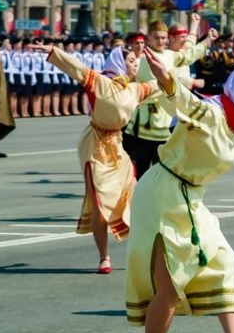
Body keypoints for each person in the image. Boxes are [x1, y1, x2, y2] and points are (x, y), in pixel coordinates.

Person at [125, 51, 234, 333]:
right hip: (162, 195)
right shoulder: (210, 113)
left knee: (225, 261)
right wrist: (165, 78)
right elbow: (182, 101)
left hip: (191, 198)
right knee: (171, 287)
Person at [31, 42, 159, 273]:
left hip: (117, 146)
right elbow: (76, 68)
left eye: (136, 62)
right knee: (100, 202)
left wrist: (186, 82)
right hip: (95, 146)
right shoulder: (99, 83)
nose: (134, 65)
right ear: (119, 63)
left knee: (135, 196)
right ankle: (104, 257)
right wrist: (53, 51)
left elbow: (163, 86)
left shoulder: (134, 90)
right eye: (130, 61)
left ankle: (144, 252)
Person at [123, 18, 216, 179]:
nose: (160, 41)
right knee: (141, 172)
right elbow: (156, 85)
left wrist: (207, 41)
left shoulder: (170, 55)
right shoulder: (144, 59)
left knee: (164, 171)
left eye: (163, 38)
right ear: (149, 38)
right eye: (156, 37)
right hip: (144, 124)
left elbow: (188, 54)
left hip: (165, 124)